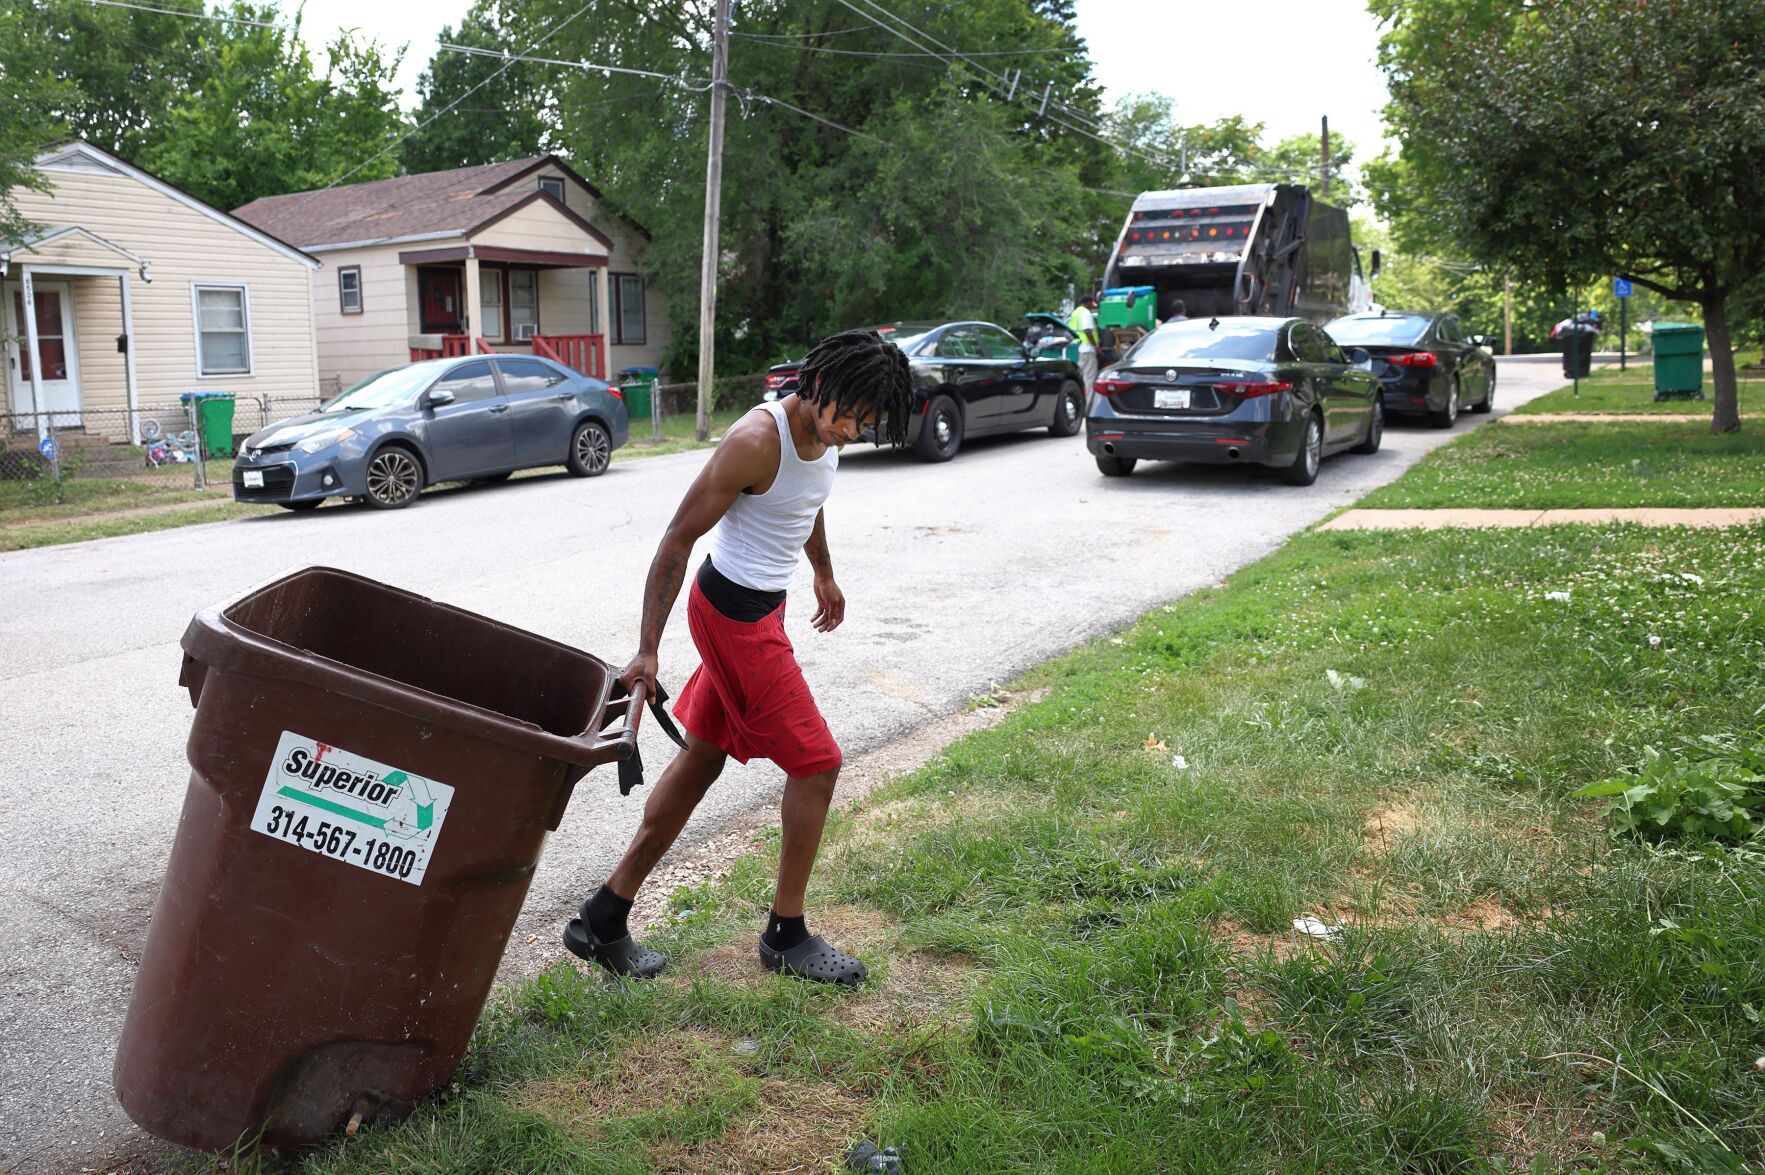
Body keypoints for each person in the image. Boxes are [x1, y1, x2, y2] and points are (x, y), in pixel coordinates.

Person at [566, 329, 915, 988]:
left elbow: (806, 503)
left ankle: (603, 914)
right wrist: (647, 650)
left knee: (703, 755)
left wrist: (823, 574)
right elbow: (677, 537)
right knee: (817, 763)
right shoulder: (757, 440)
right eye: (847, 416)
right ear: (817, 384)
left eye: (865, 424)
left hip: (764, 607)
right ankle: (786, 935)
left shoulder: (825, 437)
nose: (850, 431)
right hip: (730, 614)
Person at [1068, 293, 1100, 392]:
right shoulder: (1086, 313)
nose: (1092, 306)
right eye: (1091, 303)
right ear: (1089, 303)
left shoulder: (1075, 312)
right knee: (1089, 377)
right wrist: (1096, 346)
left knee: (1080, 376)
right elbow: (1087, 330)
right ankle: (1089, 403)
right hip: (1088, 348)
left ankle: (1080, 399)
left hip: (1078, 349)